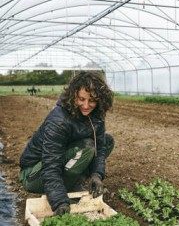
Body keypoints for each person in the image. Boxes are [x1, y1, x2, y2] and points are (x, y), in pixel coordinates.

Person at [19, 71, 114, 215]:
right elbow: (50, 164)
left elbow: (100, 149)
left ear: (100, 100)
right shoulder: (59, 120)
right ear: (73, 95)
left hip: (56, 165)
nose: (86, 105)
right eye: (81, 99)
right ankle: (68, 186)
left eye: (92, 100)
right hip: (34, 174)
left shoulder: (96, 117)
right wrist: (59, 200)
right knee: (87, 147)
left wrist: (96, 174)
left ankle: (71, 181)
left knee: (106, 142)